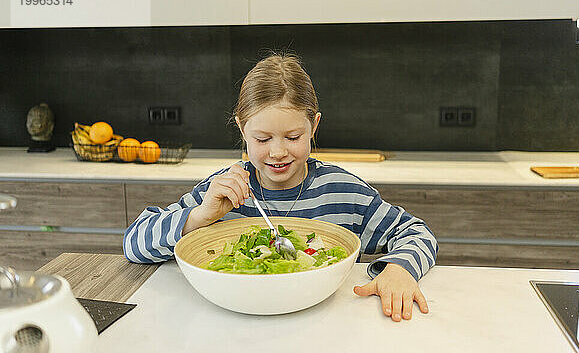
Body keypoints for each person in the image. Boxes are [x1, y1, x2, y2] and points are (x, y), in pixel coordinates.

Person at [123, 53, 438, 322]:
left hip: (325, 325)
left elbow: (416, 232)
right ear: (242, 129)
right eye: (262, 139)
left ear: (313, 127)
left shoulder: (343, 191)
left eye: (292, 137)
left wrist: (400, 268)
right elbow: (133, 243)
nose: (277, 152)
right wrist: (199, 217)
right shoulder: (223, 190)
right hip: (233, 326)